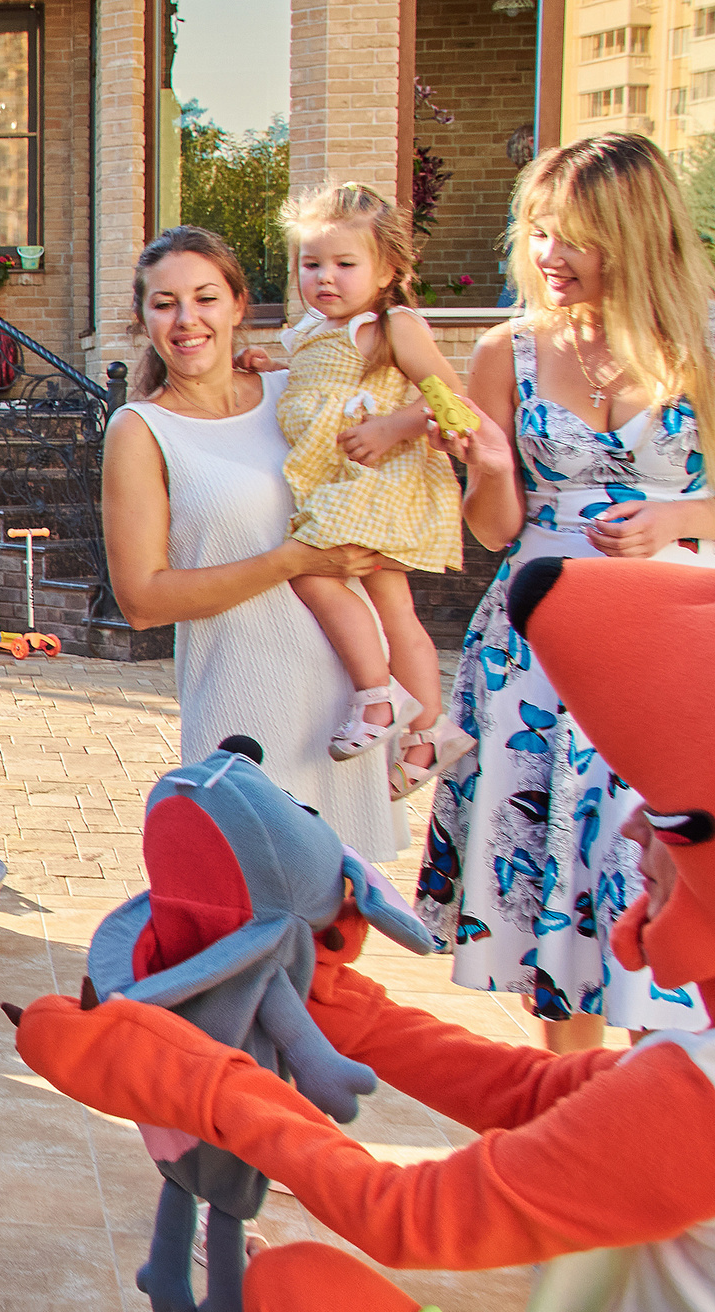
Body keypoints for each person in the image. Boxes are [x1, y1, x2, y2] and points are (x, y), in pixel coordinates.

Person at [10, 554, 715, 1312]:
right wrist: (359, 1016)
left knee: (299, 1300)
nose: (631, 827)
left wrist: (204, 1086)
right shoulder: (689, 1073)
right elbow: (563, 1111)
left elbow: (414, 1216)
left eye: (672, 815)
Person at [417, 134, 715, 1052]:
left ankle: (667, 1122)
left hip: (671, 644)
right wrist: (495, 466)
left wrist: (679, 518)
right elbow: (497, 530)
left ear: (637, 234)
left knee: (656, 868)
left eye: (577, 235)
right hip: (539, 644)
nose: (550, 256)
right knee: (555, 888)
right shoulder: (506, 351)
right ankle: (575, 1128)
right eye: (540, 231)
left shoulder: (704, 344)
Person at [100, 225, 409, 861]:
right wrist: (291, 561)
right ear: (143, 318)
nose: (187, 320)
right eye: (165, 304)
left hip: (347, 711)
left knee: (338, 937)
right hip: (242, 710)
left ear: (240, 305)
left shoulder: (296, 392)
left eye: (206, 298)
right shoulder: (140, 430)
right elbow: (142, 600)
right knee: (247, 921)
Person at [273, 182, 474, 796]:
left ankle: (377, 700)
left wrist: (396, 425)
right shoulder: (312, 329)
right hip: (343, 480)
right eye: (311, 264)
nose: (325, 278)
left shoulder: (393, 325)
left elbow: (454, 400)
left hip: (376, 480)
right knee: (393, 606)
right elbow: (316, 380)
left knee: (311, 572)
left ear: (386, 269)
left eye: (344, 264)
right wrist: (269, 366)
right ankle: (430, 732)